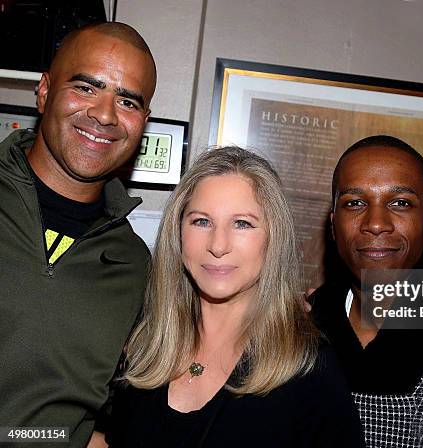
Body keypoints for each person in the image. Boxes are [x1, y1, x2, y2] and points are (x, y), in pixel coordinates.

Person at [107, 147, 364, 448]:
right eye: (201, 221)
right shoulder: (142, 346)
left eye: (242, 223)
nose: (218, 245)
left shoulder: (309, 369)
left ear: (272, 239)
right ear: (178, 233)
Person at [0, 22, 156, 446]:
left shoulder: (135, 266)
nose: (104, 114)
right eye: (86, 88)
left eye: (126, 100)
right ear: (44, 90)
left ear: (143, 120)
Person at [309, 135, 423, 446]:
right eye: (355, 203)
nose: (376, 223)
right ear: (333, 225)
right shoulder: (301, 329)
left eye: (400, 203)